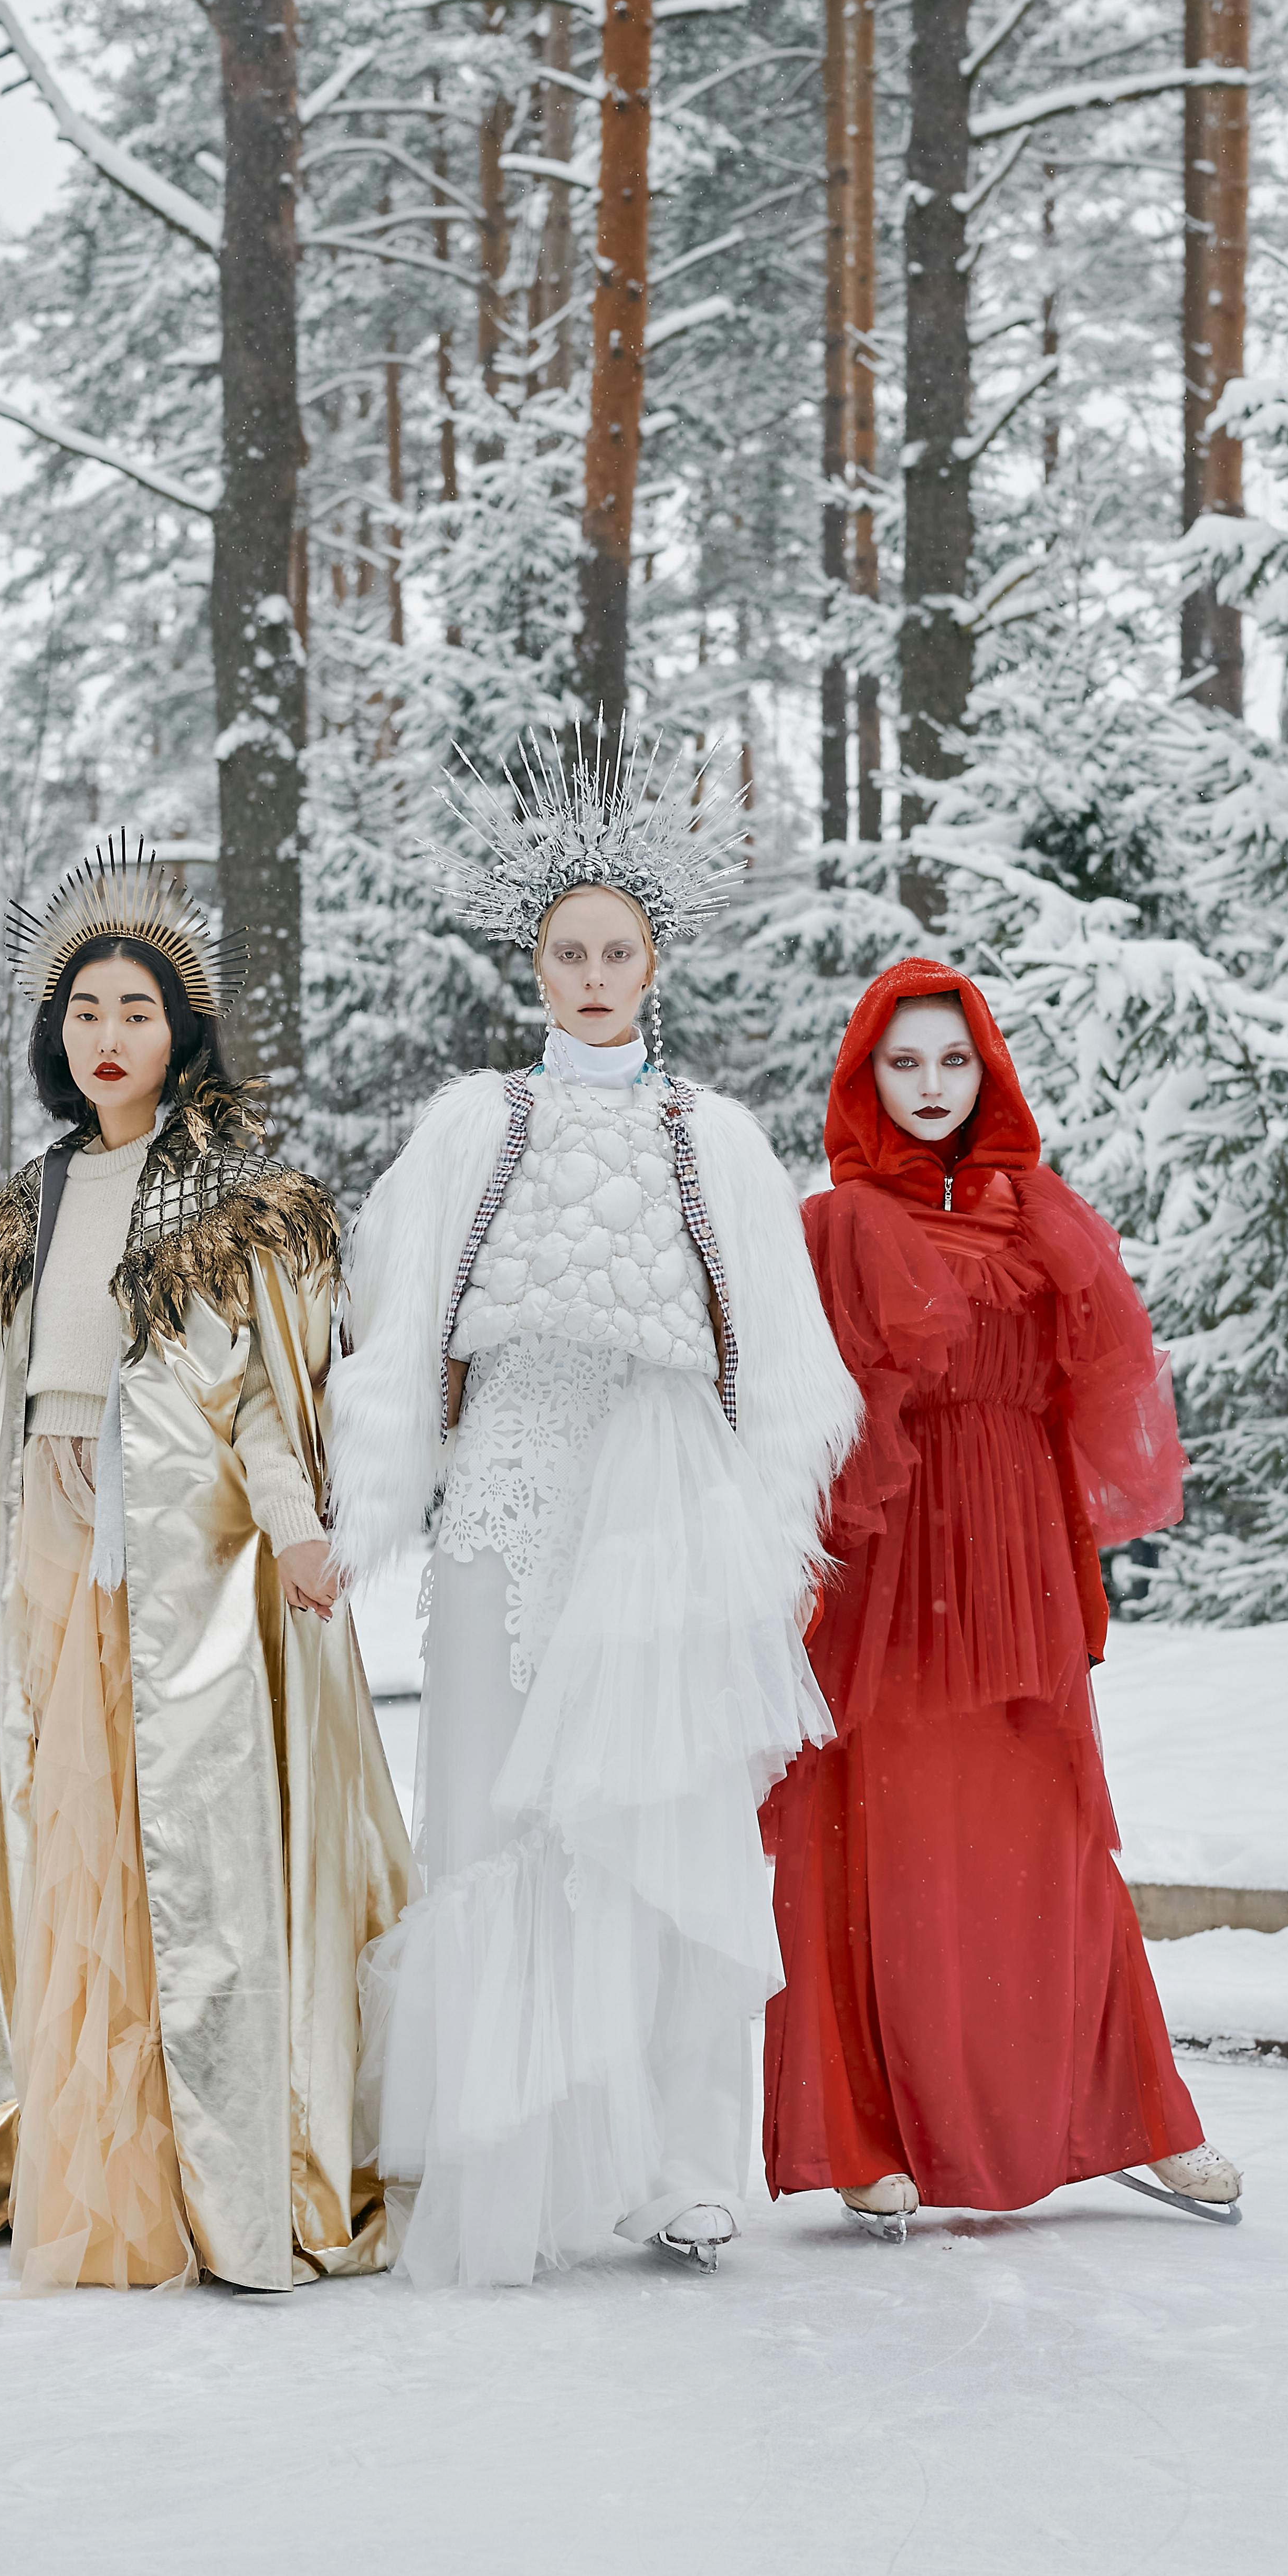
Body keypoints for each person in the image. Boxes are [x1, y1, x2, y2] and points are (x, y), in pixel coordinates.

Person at [0, 839, 414, 2293]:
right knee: (67, 1844)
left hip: (184, 1564)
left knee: (188, 1854)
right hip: (48, 1530)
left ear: (182, 1027)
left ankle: (213, 2153)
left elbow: (266, 1399)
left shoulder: (229, 1197)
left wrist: (298, 1529)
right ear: (54, 1031)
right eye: (85, 1010)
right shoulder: (33, 1202)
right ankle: (91, 2140)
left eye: (136, 1010)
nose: (109, 1035)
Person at [328, 737, 861, 2286]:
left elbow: (782, 1367)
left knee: (663, 1810)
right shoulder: (468, 1127)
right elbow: (399, 1331)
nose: (592, 973)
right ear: (535, 965)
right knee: (501, 1805)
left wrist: (772, 1549)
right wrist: (358, 1522)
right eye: (567, 950)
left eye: (617, 949)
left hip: (663, 1499)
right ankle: (511, 2138)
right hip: (510, 1475)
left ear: (656, 962)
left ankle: (678, 2161)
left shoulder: (719, 1137)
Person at [760, 959, 1242, 2232]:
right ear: (864, 1080)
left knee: (1054, 1840)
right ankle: (870, 2138)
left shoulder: (1044, 1216)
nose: (929, 1088)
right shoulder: (834, 1228)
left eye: (952, 1063)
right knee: (880, 1839)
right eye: (902, 1065)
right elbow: (790, 1429)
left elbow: (1093, 1404)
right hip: (893, 1565)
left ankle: (1136, 2119)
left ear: (988, 1074)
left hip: (1017, 1558)